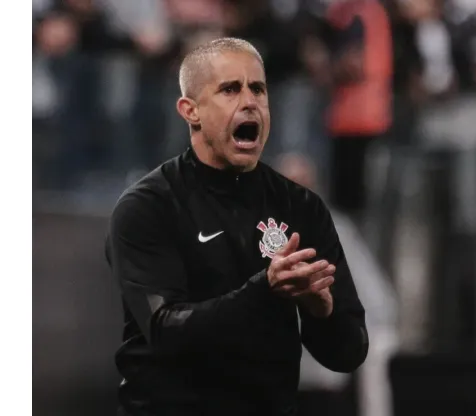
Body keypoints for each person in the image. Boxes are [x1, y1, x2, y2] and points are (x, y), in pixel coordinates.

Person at [105, 37, 369, 415]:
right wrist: (266, 290)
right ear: (190, 110)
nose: (250, 101)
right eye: (230, 89)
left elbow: (350, 351)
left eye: (258, 89)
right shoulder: (148, 206)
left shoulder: (301, 207)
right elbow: (165, 332)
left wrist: (319, 312)